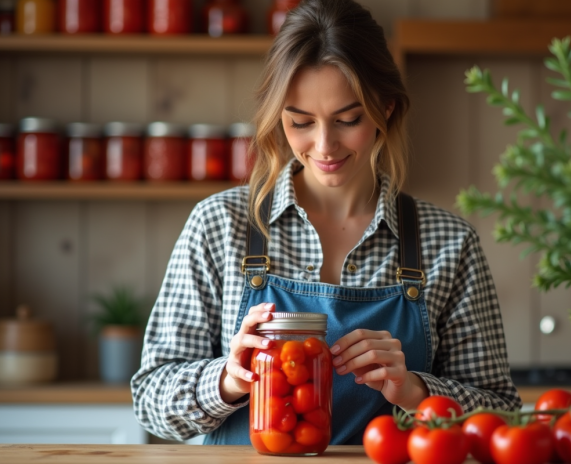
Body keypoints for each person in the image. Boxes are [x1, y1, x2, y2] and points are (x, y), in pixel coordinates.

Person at [131, 0, 521, 445]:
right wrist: (229, 379)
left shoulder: (449, 242)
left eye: (348, 120)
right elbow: (150, 400)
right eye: (300, 122)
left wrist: (415, 391)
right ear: (280, 116)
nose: (324, 146)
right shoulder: (219, 225)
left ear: (386, 107)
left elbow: (501, 414)